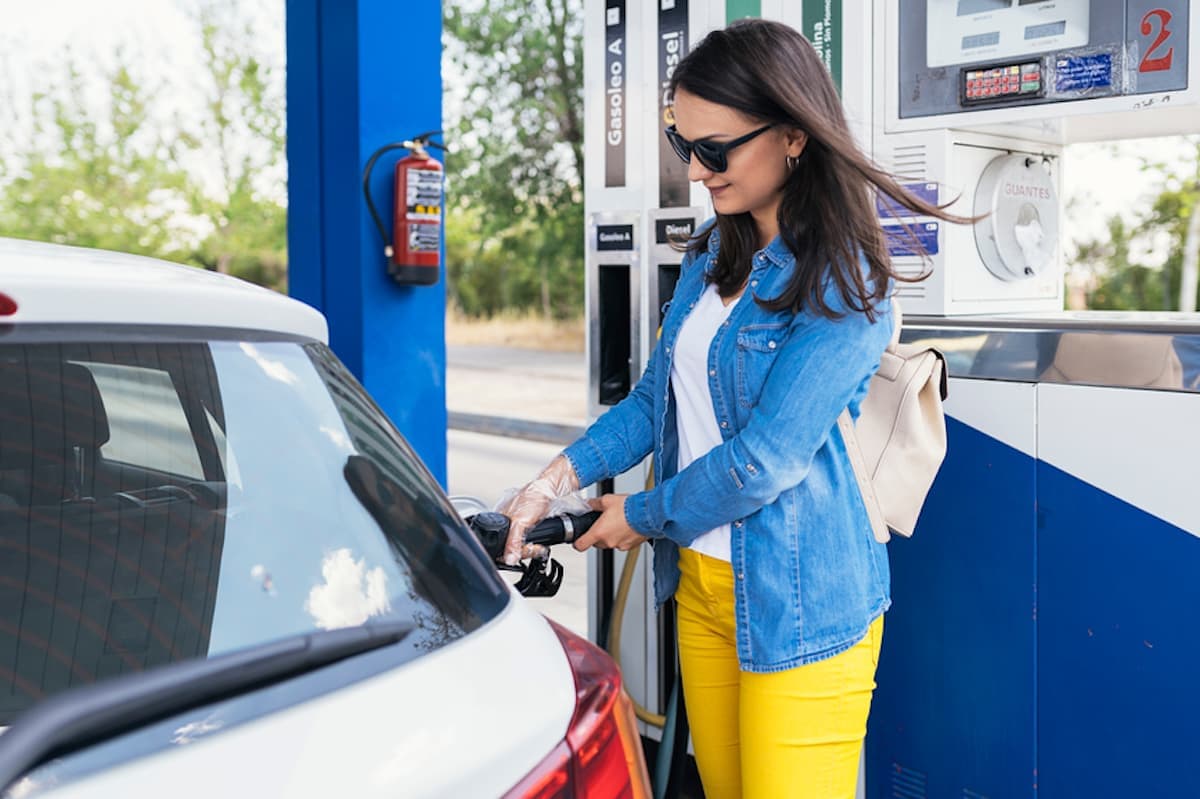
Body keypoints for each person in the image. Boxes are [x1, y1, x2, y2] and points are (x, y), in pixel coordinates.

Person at [499, 18, 966, 799]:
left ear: (792, 136)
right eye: (686, 146)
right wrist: (555, 478)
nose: (696, 170)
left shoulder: (847, 281)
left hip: (804, 598)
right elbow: (655, 401)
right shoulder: (715, 251)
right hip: (704, 590)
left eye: (716, 149)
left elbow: (767, 458)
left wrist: (640, 512)